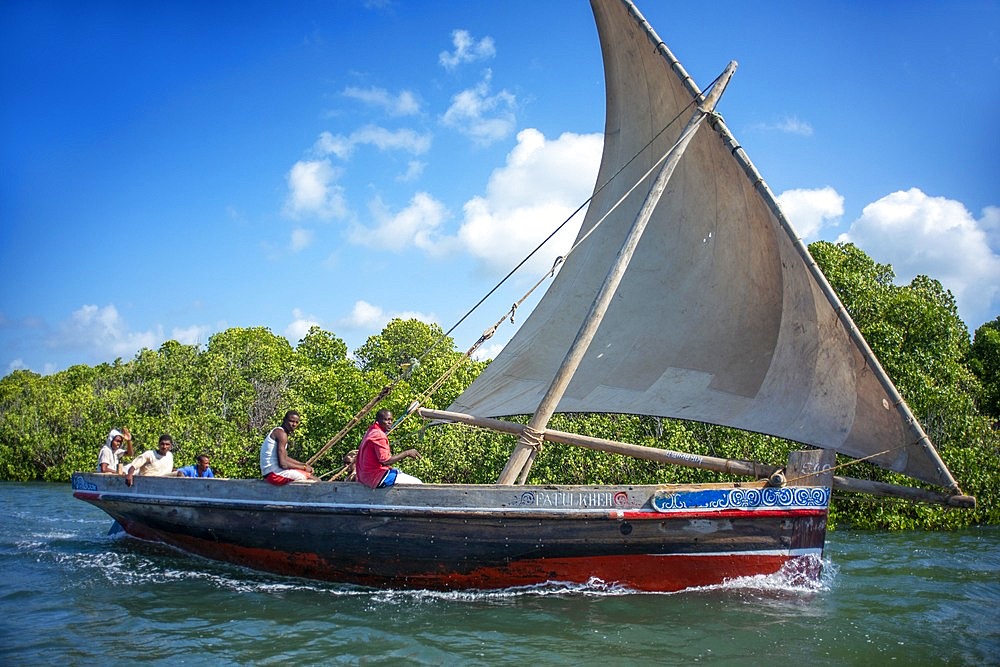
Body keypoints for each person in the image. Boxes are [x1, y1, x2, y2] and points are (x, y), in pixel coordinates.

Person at [356, 409, 422, 489]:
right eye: (386, 419)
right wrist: (407, 453)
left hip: (364, 476)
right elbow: (385, 461)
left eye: (391, 420)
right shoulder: (379, 435)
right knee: (418, 484)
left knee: (398, 473)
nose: (390, 422)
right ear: (378, 421)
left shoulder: (371, 431)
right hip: (375, 477)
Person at [260, 410, 317, 485]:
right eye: (291, 421)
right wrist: (304, 468)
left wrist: (304, 465)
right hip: (274, 474)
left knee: (307, 476)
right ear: (284, 420)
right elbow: (283, 464)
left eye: (296, 422)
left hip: (270, 473)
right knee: (316, 481)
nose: (294, 424)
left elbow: (285, 458)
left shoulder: (278, 431)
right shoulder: (281, 434)